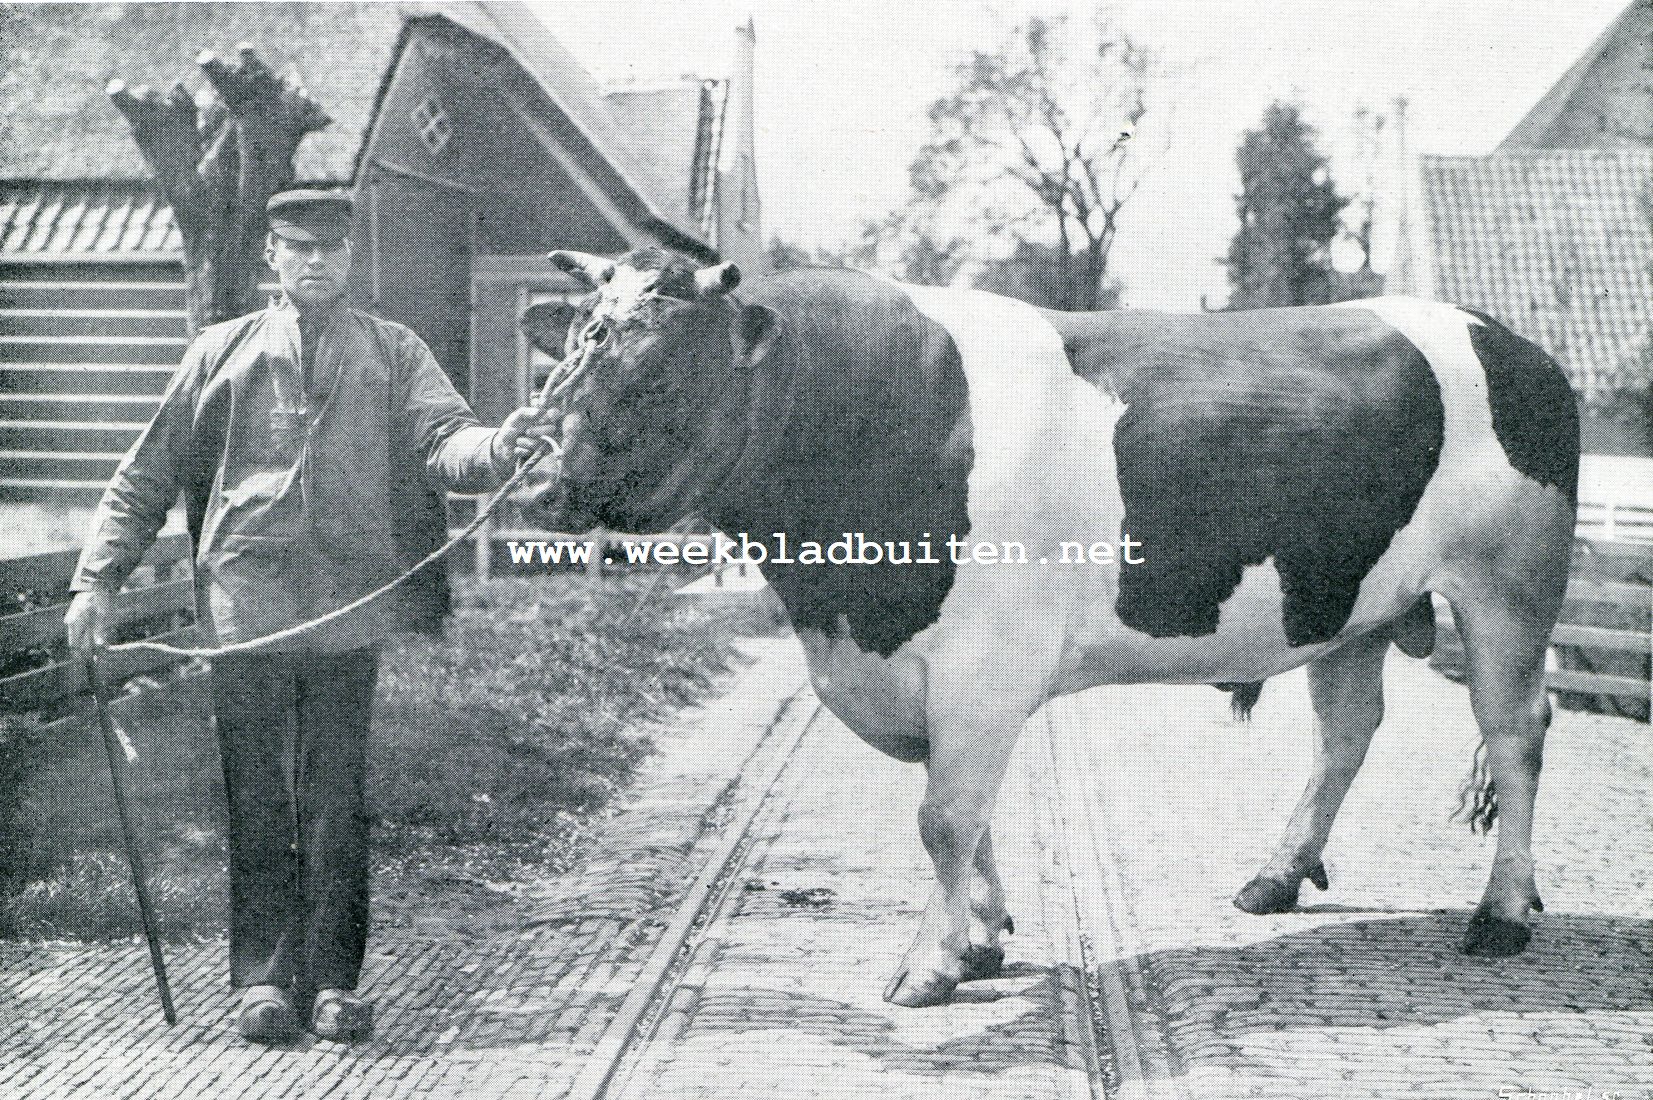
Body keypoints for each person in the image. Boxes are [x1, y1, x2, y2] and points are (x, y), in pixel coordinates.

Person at [64, 190, 554, 1045]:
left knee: (334, 801)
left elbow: (447, 443)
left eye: (332, 248)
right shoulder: (219, 352)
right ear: (272, 259)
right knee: (256, 797)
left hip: (347, 610)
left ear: (350, 260)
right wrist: (95, 580)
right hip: (245, 609)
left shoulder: (394, 352)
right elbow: (146, 474)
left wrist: (497, 448)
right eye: (299, 247)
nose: (317, 261)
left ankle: (332, 983)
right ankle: (262, 982)